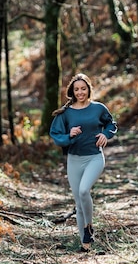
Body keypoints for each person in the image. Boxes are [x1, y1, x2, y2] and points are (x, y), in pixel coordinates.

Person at [50, 72, 118, 252]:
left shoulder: (98, 108)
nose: (80, 92)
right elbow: (56, 135)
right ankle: (85, 244)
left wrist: (105, 134)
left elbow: (111, 124)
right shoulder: (65, 113)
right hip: (74, 160)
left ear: (89, 89)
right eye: (77, 89)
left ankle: (88, 226)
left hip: (94, 157)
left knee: (83, 190)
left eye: (83, 89)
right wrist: (69, 135)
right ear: (72, 91)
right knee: (79, 204)